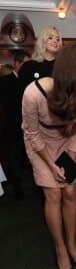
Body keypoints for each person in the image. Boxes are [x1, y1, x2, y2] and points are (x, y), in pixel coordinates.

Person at [22, 42, 76, 269]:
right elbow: (32, 134)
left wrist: (70, 160)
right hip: (40, 144)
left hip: (68, 140)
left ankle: (72, 245)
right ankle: (60, 250)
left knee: (69, 190)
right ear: (69, 75)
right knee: (54, 194)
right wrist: (50, 165)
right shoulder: (34, 93)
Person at [0, 50, 31, 200]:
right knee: (14, 159)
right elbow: (8, 106)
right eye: (26, 64)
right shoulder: (5, 81)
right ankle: (18, 190)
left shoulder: (30, 81)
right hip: (14, 128)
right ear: (17, 64)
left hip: (31, 129)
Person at [18, 26, 62, 90]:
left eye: (58, 39)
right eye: (50, 38)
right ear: (42, 41)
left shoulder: (64, 67)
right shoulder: (28, 66)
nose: (55, 41)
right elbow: (21, 93)